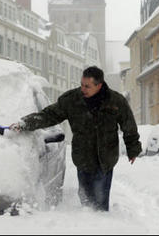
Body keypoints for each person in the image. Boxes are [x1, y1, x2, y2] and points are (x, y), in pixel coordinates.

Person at [9, 66, 141, 212]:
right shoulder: (72, 100)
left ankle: (102, 227)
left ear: (99, 85)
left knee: (100, 203)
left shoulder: (116, 101)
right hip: (83, 159)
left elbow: (129, 126)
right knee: (86, 202)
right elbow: (49, 115)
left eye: (87, 86)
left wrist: (133, 148)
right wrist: (26, 123)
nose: (83, 89)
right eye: (82, 84)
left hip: (105, 159)